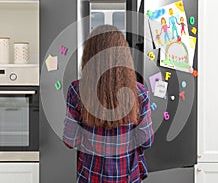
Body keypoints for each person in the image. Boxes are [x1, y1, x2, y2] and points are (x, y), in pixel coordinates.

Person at [63, 25, 154, 183]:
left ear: (89, 56)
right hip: (128, 177)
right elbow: (146, 141)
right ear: (124, 56)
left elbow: (70, 140)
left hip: (90, 177)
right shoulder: (139, 93)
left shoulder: (77, 90)